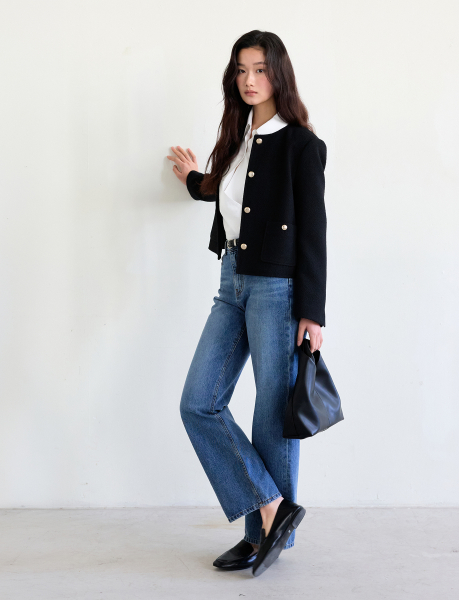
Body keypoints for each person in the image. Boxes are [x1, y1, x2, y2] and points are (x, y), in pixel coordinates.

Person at [167, 30, 327, 577]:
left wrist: (313, 312)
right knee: (199, 402)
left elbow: (313, 232)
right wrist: (193, 179)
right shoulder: (240, 137)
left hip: (277, 288)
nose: (249, 80)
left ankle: (261, 536)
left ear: (278, 74)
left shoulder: (301, 145)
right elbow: (229, 192)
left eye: (259, 69)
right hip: (231, 280)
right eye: (241, 70)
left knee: (271, 412)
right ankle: (273, 510)